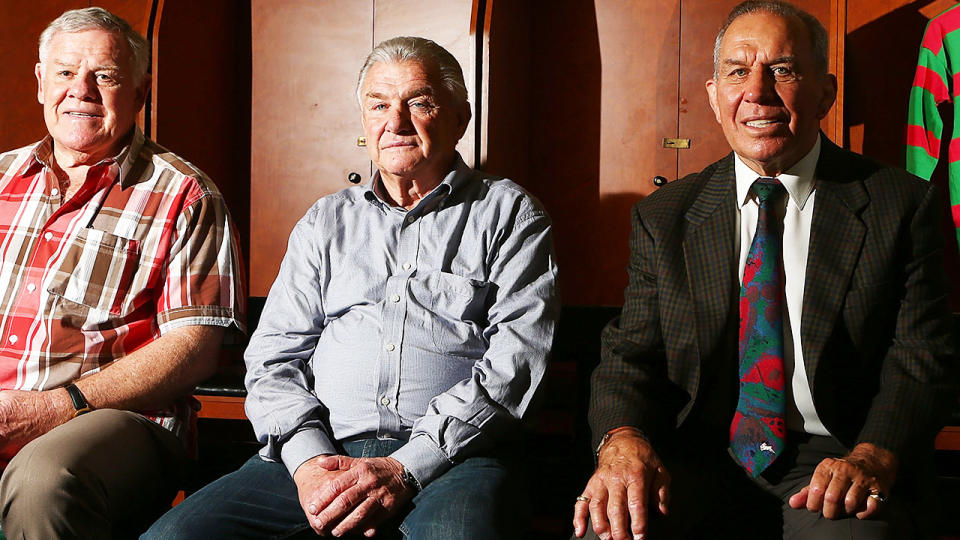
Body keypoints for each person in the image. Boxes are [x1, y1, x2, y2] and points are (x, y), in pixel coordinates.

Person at [143, 36, 559, 539]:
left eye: (420, 103)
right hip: (321, 451)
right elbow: (272, 358)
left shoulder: (510, 213)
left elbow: (514, 366)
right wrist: (310, 461)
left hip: (454, 458)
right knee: (173, 537)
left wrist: (407, 466)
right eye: (379, 105)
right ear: (364, 120)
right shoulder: (326, 221)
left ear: (460, 118)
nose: (396, 122)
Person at [573, 1, 957, 539]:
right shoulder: (666, 216)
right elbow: (630, 354)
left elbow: (923, 356)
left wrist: (874, 455)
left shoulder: (900, 205)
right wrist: (621, 440)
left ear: (826, 91)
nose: (757, 91)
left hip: (838, 457)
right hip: (697, 457)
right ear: (714, 97)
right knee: (606, 532)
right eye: (737, 71)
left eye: (783, 69)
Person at [0, 7, 246, 538]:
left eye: (104, 76)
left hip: (110, 419)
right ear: (42, 83)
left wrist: (56, 407)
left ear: (139, 93)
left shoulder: (185, 194)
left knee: (45, 478)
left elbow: (196, 347)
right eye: (65, 73)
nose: (81, 90)